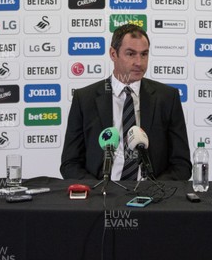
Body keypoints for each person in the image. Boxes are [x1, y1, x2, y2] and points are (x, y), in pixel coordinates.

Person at [60, 23, 192, 181]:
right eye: (131, 54)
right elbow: (70, 163)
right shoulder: (85, 99)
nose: (139, 62)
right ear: (113, 54)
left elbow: (182, 164)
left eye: (144, 54)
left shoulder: (167, 98)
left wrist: (153, 189)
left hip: (152, 197)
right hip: (99, 196)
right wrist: (96, 192)